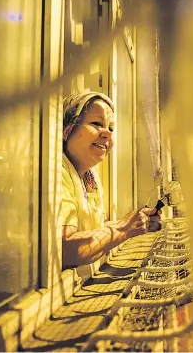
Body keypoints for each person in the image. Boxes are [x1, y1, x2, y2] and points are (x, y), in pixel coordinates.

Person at [59, 92, 160, 279]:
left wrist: (134, 223)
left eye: (111, 128)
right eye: (97, 124)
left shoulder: (90, 178)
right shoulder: (55, 172)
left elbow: (93, 234)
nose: (107, 133)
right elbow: (64, 250)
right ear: (68, 128)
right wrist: (123, 229)